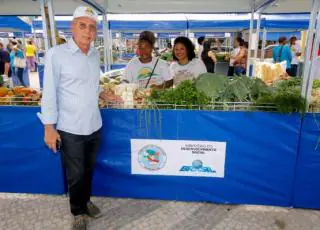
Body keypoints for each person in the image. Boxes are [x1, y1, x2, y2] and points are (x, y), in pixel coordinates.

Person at [39, 6, 102, 230]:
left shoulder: (95, 55)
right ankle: (77, 212)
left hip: (94, 124)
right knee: (75, 174)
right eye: (82, 26)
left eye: (92, 27)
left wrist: (105, 92)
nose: (88, 32)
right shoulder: (57, 54)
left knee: (88, 169)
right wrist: (49, 127)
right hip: (70, 127)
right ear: (72, 27)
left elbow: (92, 86)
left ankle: (85, 200)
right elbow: (49, 93)